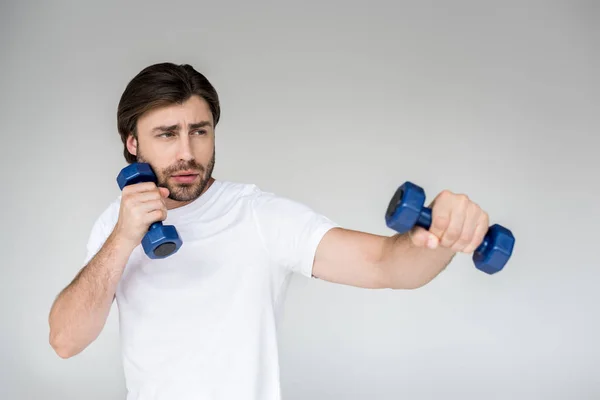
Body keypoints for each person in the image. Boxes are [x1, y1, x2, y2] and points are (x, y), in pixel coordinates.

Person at [48, 62, 491, 399]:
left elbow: (387, 267)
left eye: (199, 132)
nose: (187, 153)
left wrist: (439, 236)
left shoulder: (257, 216)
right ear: (133, 143)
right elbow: (66, 340)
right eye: (167, 134)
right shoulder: (115, 224)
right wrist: (124, 238)